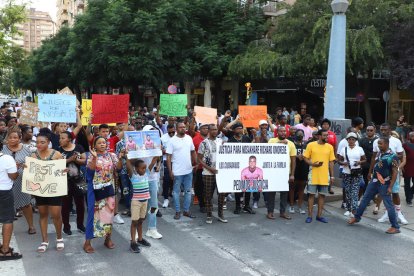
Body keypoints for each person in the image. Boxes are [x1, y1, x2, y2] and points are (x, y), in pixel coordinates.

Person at [348, 137, 400, 234]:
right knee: (365, 199)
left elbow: (395, 172)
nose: (379, 145)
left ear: (387, 144)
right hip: (374, 181)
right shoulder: (380, 153)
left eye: (381, 144)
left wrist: (390, 187)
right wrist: (371, 173)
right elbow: (376, 163)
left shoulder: (393, 156)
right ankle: (357, 217)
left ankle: (395, 226)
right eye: (378, 144)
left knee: (388, 205)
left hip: (385, 183)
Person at [83, 136, 122, 253]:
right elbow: (89, 172)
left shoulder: (112, 155)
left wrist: (120, 159)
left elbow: (118, 169)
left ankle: (107, 239)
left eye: (104, 142)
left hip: (108, 189)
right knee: (92, 214)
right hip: (94, 189)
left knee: (109, 214)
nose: (102, 144)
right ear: (94, 145)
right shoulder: (90, 156)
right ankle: (87, 242)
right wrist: (95, 158)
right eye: (99, 143)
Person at [32, 132, 65, 253]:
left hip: (54, 188)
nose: (39, 144)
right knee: (43, 214)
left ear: (48, 142)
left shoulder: (56, 154)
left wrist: (64, 170)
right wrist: (27, 167)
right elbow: (31, 173)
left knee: (56, 214)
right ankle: (44, 240)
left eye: (42, 142)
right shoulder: (33, 156)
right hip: (40, 189)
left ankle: (59, 237)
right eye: (37, 142)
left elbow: (62, 170)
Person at [368, 123, 407, 224]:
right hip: (381, 173)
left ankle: (399, 213)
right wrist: (370, 171)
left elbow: (400, 156)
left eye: (385, 130)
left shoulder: (396, 141)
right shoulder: (376, 141)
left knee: (395, 192)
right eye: (382, 130)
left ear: (390, 130)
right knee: (384, 193)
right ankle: (386, 213)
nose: (383, 132)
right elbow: (373, 157)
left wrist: (390, 161)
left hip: (393, 172)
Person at [1, 128, 36, 235]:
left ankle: (31, 226)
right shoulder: (2, 149)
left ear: (20, 138)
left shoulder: (27, 149)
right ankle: (7, 227)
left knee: (26, 204)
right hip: (6, 182)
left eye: (15, 137)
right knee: (6, 206)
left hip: (22, 180)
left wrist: (26, 166)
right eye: (10, 137)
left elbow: (34, 163)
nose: (12, 140)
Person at [303, 129, 336, 223]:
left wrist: (332, 176)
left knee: (322, 196)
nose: (327, 137)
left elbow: (331, 162)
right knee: (311, 196)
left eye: (327, 136)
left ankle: (319, 216)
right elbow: (305, 158)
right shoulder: (311, 145)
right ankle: (309, 216)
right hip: (313, 174)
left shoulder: (330, 147)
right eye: (324, 135)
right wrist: (313, 164)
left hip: (325, 176)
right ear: (319, 136)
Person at [166, 122, 197, 220]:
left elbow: (193, 151)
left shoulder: (189, 138)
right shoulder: (172, 141)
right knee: (176, 192)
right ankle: (177, 211)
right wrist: (170, 171)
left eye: (184, 127)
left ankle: (186, 211)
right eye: (181, 127)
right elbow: (168, 157)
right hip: (177, 171)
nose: (183, 128)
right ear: (176, 128)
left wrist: (195, 163)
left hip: (188, 170)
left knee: (188, 192)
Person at [198, 124, 227, 224]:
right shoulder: (204, 143)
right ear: (209, 131)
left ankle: (221, 214)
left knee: (222, 194)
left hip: (220, 173)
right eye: (213, 129)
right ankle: (209, 215)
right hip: (208, 173)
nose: (215, 131)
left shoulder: (221, 141)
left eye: (216, 129)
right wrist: (209, 168)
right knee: (208, 195)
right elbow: (199, 159)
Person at [58, 131, 86, 235]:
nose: (60, 140)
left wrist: (77, 160)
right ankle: (66, 226)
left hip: (79, 179)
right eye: (60, 138)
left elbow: (84, 160)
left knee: (80, 204)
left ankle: (80, 225)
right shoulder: (58, 150)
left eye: (63, 138)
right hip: (64, 181)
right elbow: (56, 163)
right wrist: (70, 159)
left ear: (69, 139)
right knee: (65, 205)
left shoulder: (78, 147)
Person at [267, 126, 296, 220]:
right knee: (271, 193)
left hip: (285, 173)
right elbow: (267, 152)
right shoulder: (271, 141)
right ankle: (270, 212)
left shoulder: (291, 144)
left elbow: (293, 160)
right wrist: (279, 143)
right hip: (273, 172)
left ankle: (282, 212)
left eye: (284, 131)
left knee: (284, 193)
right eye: (281, 131)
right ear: (277, 132)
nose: (283, 133)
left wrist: (292, 174)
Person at [227, 122, 254, 214]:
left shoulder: (246, 138)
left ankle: (247, 206)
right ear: (234, 130)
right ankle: (238, 206)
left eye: (241, 128)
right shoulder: (230, 140)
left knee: (248, 188)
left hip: (247, 167)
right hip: (237, 168)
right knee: (238, 188)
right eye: (238, 128)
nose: (240, 130)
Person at [337, 132, 366, 217]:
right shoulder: (344, 149)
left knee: (355, 191)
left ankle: (354, 210)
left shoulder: (359, 149)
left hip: (356, 172)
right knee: (348, 191)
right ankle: (349, 209)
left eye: (353, 139)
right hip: (346, 173)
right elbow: (339, 160)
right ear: (347, 140)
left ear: (355, 140)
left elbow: (364, 159)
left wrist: (359, 162)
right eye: (349, 139)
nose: (351, 141)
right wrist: (343, 163)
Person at [126, 159, 152, 253]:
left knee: (141, 221)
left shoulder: (146, 174)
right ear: (136, 169)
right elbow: (129, 165)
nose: (144, 170)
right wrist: (127, 156)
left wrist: (157, 153)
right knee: (134, 222)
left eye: (145, 168)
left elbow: (153, 162)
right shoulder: (133, 176)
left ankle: (140, 239)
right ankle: (133, 242)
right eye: (142, 168)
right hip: (136, 202)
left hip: (145, 201)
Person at [0, 151, 22, 260]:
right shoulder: (6, 159)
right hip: (3, 192)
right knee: (7, 220)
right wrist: (15, 169)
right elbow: (13, 176)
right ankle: (5, 251)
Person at [359, 124, 378, 211]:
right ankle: (365, 198)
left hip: (374, 165)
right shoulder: (362, 140)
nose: (369, 132)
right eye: (367, 130)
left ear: (374, 131)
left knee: (373, 183)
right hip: (363, 165)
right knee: (364, 182)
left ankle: (372, 198)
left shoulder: (377, 141)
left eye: (371, 130)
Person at [192, 123, 209, 212]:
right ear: (200, 129)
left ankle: (207, 203)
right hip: (199, 167)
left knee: (208, 187)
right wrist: (194, 163)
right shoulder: (195, 139)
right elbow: (192, 152)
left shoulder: (212, 139)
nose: (206, 129)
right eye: (204, 128)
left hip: (210, 168)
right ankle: (202, 204)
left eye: (207, 128)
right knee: (199, 187)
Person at [292, 129, 309, 214]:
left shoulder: (306, 145)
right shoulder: (292, 144)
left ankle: (300, 206)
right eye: (298, 134)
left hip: (304, 169)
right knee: (292, 188)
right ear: (295, 135)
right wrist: (296, 156)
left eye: (301, 134)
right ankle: (291, 206)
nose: (300, 136)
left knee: (301, 189)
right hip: (294, 169)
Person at [161, 124, 175, 208]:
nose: (172, 134)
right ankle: (166, 199)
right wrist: (164, 151)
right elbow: (160, 149)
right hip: (166, 160)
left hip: (176, 161)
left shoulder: (178, 137)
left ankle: (173, 193)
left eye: (173, 132)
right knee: (166, 179)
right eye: (170, 132)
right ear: (167, 131)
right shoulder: (163, 138)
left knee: (175, 179)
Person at [403, 131, 414, 206]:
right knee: (407, 183)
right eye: (412, 136)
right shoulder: (405, 145)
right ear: (409, 136)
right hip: (407, 166)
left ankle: (410, 193)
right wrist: (402, 166)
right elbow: (402, 156)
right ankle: (408, 199)